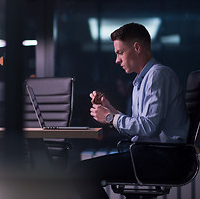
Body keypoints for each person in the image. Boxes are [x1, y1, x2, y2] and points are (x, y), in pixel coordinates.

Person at [72, 23, 190, 199]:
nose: (117, 60)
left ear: (137, 47)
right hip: (150, 154)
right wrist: (109, 109)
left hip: (162, 158)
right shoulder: (140, 82)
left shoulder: (158, 75)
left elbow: (149, 128)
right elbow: (140, 126)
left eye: (120, 53)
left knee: (79, 173)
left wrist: (111, 117)